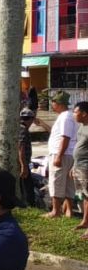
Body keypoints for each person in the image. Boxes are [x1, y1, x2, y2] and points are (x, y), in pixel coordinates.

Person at [45, 91, 76, 219]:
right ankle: (69, 210)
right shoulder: (69, 116)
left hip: (61, 153)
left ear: (58, 103)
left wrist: (58, 156)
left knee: (56, 181)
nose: (52, 104)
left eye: (53, 102)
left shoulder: (65, 117)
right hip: (69, 154)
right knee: (69, 183)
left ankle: (56, 211)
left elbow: (65, 137)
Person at [71, 101, 88, 238]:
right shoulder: (82, 126)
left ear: (84, 114)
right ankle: (85, 221)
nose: (73, 115)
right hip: (78, 166)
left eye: (75, 112)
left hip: (86, 167)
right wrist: (73, 166)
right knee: (83, 195)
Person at [17, 109, 37, 208]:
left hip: (22, 162)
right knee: (27, 187)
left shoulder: (20, 128)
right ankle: (29, 206)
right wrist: (23, 166)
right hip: (21, 163)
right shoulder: (23, 129)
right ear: (31, 119)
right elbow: (21, 148)